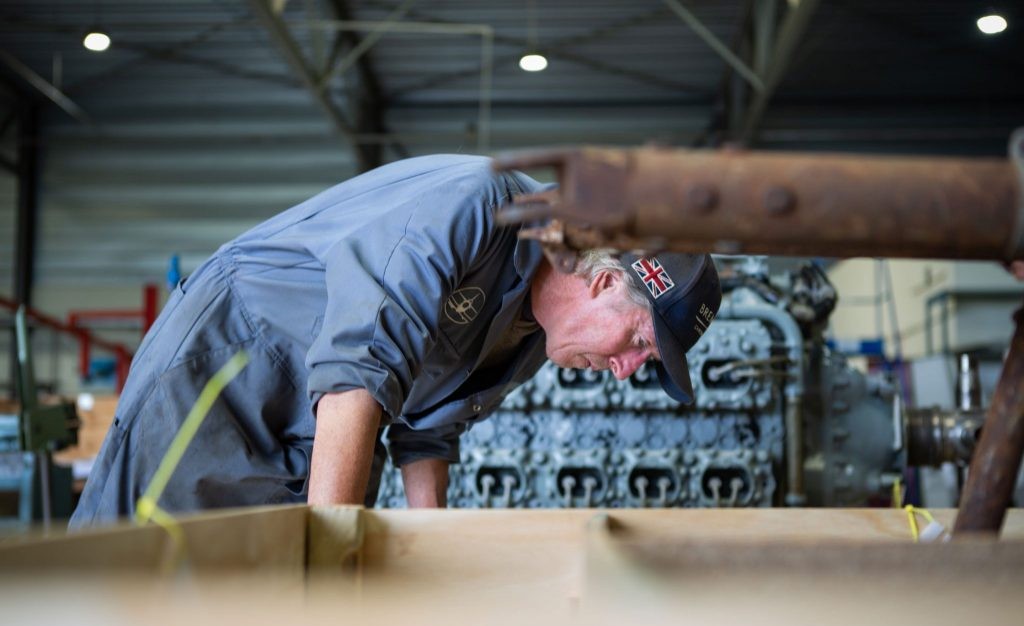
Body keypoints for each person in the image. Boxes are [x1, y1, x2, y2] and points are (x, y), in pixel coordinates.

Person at [69, 155, 721, 528]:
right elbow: (360, 370)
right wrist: (330, 562)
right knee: (142, 572)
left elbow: (427, 428)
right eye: (640, 344)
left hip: (314, 426)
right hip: (231, 372)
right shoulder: (480, 208)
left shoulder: (533, 327)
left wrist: (426, 544)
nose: (624, 370)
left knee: (250, 603)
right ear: (606, 281)